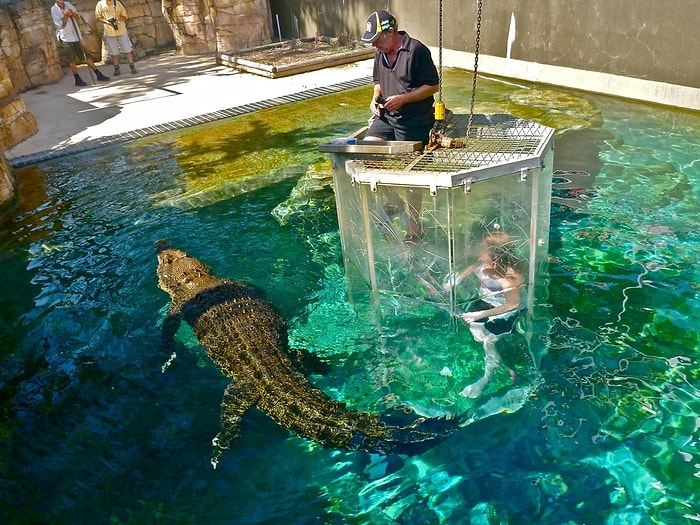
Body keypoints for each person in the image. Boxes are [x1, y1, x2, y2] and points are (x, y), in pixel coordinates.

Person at [361, 10, 439, 243]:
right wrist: (375, 98)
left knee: (411, 171)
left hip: (414, 117)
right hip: (387, 115)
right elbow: (378, 83)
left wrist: (404, 99)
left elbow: (432, 86)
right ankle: (393, 198)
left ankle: (416, 225)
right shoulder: (380, 53)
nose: (374, 44)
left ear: (391, 32)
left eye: (376, 39)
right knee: (368, 152)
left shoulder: (416, 50)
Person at [444, 232, 527, 398]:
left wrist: (480, 314)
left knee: (489, 342)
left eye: (483, 248)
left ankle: (487, 378)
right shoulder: (485, 261)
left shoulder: (509, 276)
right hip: (488, 302)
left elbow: (513, 303)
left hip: (507, 311)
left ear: (494, 255)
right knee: (472, 328)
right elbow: (472, 268)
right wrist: (455, 281)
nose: (478, 250)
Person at [51, 0, 110, 87]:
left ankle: (98, 74)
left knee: (86, 55)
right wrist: (66, 16)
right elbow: (61, 25)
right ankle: (77, 78)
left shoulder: (67, 4)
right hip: (66, 37)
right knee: (71, 59)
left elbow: (77, 16)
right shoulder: (54, 10)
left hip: (75, 35)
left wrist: (71, 13)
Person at [95, 0, 137, 76]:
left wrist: (118, 20)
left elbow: (125, 16)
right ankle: (116, 68)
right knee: (114, 52)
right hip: (109, 32)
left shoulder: (117, 3)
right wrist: (107, 22)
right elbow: (98, 17)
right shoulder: (100, 4)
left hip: (121, 30)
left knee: (127, 49)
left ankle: (132, 66)